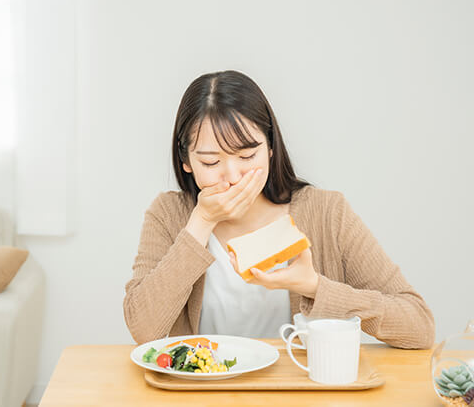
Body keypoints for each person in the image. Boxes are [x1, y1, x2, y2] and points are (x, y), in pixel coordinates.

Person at [123, 70, 434, 349]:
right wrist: (202, 222)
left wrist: (314, 286)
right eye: (211, 162)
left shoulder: (326, 211)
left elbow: (419, 325)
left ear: (271, 148)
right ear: (186, 162)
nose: (232, 177)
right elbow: (144, 329)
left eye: (247, 156)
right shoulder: (169, 214)